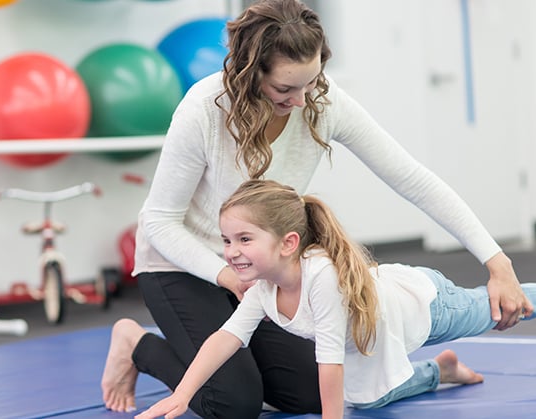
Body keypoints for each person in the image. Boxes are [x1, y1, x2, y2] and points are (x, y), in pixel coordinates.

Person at [101, 0, 532, 417]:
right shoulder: (204, 109)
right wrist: (227, 275)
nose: (304, 100)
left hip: (259, 268)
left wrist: (498, 263)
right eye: (285, 88)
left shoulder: (323, 102)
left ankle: (432, 374)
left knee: (312, 392)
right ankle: (135, 343)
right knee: (232, 404)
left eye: (312, 82)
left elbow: (412, 179)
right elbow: (159, 222)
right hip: (179, 263)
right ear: (249, 75)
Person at [133, 179, 536, 419]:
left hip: (427, 308)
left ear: (288, 243)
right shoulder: (265, 287)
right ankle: (441, 372)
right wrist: (182, 394)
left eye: (244, 239)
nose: (231, 251)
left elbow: (330, 362)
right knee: (369, 398)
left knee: (506, 308)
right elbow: (226, 338)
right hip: (378, 340)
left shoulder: (319, 278)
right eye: (226, 240)